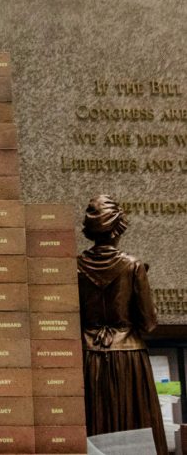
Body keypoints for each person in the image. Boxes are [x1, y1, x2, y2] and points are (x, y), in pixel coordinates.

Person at [77, 194, 167, 454]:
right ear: (118, 227)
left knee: (94, 423)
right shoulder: (133, 266)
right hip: (129, 358)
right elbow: (149, 323)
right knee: (134, 425)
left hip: (88, 357)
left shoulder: (77, 267)